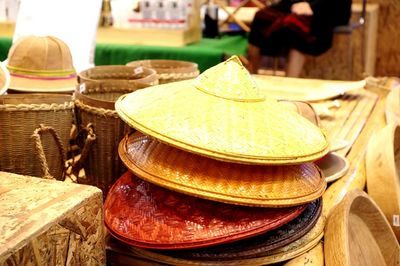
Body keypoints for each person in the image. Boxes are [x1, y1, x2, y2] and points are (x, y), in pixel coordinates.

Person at [247, 0, 352, 77]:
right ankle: (252, 79)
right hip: (297, 4)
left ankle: (290, 87)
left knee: (294, 25)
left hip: (327, 8)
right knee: (261, 16)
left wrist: (312, 7)